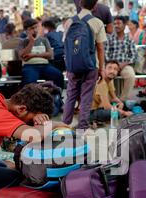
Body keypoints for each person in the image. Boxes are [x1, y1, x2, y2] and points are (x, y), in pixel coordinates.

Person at [63, 0, 107, 130]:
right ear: (95, 6)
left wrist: (68, 66)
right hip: (91, 66)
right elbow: (100, 48)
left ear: (80, 5)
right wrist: (101, 68)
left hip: (72, 66)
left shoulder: (69, 22)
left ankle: (64, 126)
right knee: (86, 97)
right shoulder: (97, 22)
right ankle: (82, 127)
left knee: (70, 95)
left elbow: (66, 46)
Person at [18, 19, 64, 90]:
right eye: (32, 28)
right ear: (26, 30)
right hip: (30, 66)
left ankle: (57, 96)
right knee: (29, 82)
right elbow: (23, 55)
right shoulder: (23, 41)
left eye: (36, 27)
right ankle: (31, 99)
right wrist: (31, 42)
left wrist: (33, 55)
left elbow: (50, 55)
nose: (35, 30)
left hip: (45, 65)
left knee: (59, 75)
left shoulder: (44, 40)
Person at [90, 60, 133, 126]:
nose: (112, 71)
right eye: (109, 68)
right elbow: (107, 106)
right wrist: (124, 113)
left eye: (115, 69)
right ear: (104, 69)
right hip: (91, 112)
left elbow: (114, 97)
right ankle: (93, 120)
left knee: (124, 104)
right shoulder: (101, 83)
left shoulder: (110, 80)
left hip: (100, 107)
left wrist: (120, 103)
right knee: (117, 114)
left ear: (118, 72)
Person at [105, 16, 137, 101]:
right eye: (114, 24)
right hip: (111, 64)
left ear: (124, 25)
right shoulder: (109, 39)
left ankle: (123, 100)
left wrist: (123, 64)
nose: (116, 26)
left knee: (130, 75)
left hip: (125, 65)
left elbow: (133, 56)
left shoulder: (129, 39)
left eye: (119, 23)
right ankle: (109, 99)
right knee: (107, 74)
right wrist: (114, 65)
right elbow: (106, 54)